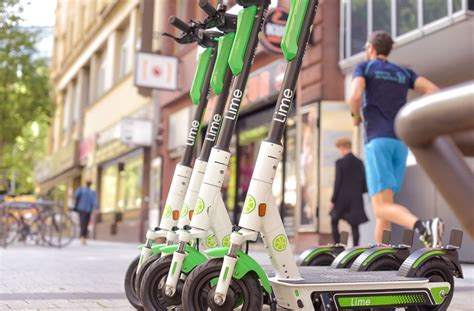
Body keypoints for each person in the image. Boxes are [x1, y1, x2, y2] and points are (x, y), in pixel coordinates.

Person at [349, 30, 442, 246]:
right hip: (400, 142)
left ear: (371, 48)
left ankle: (423, 226)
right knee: (386, 208)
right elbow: (433, 90)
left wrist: (355, 117)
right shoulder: (403, 72)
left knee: (380, 207)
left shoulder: (364, 67)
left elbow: (354, 96)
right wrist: (411, 114)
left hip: (377, 141)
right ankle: (384, 251)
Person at [330, 138, 368, 246]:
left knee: (334, 220)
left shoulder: (340, 162)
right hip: (356, 198)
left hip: (342, 198)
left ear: (342, 148)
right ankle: (355, 248)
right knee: (354, 225)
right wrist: (360, 192)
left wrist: (333, 200)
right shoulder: (359, 162)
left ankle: (338, 246)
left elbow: (337, 182)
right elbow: (364, 181)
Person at [74, 180, 98, 245]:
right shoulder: (92, 192)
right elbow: (94, 201)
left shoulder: (81, 189)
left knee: (82, 223)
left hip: (81, 209)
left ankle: (82, 237)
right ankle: (83, 237)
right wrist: (96, 208)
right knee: (86, 224)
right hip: (88, 210)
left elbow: (75, 195)